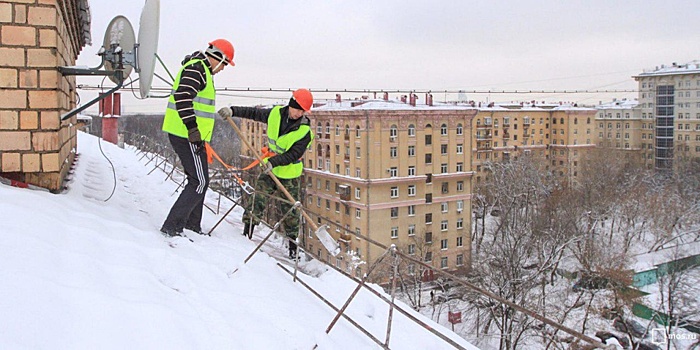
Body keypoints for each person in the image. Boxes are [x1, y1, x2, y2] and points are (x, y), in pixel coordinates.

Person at [218, 89, 314, 258]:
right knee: (257, 199)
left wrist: (273, 162)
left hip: (289, 174)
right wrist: (233, 111)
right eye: (297, 109)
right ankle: (247, 233)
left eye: (302, 111)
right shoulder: (275, 114)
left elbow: (292, 154)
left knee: (291, 211)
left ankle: (293, 248)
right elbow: (253, 113)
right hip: (269, 170)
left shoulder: (305, 132)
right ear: (291, 104)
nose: (298, 113)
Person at [160, 39, 235, 237]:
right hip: (186, 135)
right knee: (199, 181)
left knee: (200, 180)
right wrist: (193, 129)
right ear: (218, 58)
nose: (223, 69)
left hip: (192, 136)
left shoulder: (201, 70)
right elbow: (183, 97)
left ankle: (192, 226)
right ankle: (172, 227)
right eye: (224, 64)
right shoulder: (197, 69)